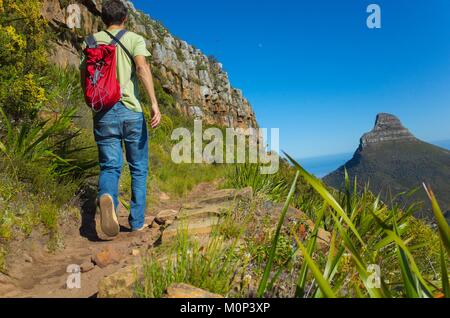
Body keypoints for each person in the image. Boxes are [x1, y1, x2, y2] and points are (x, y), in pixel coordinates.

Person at [80, 0, 161, 237]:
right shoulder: (134, 39)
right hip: (131, 111)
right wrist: (154, 103)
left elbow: (84, 74)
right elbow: (142, 69)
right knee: (138, 168)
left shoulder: (91, 41)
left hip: (103, 111)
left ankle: (107, 198)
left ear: (103, 18)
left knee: (110, 166)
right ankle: (136, 222)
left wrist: (90, 102)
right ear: (125, 18)